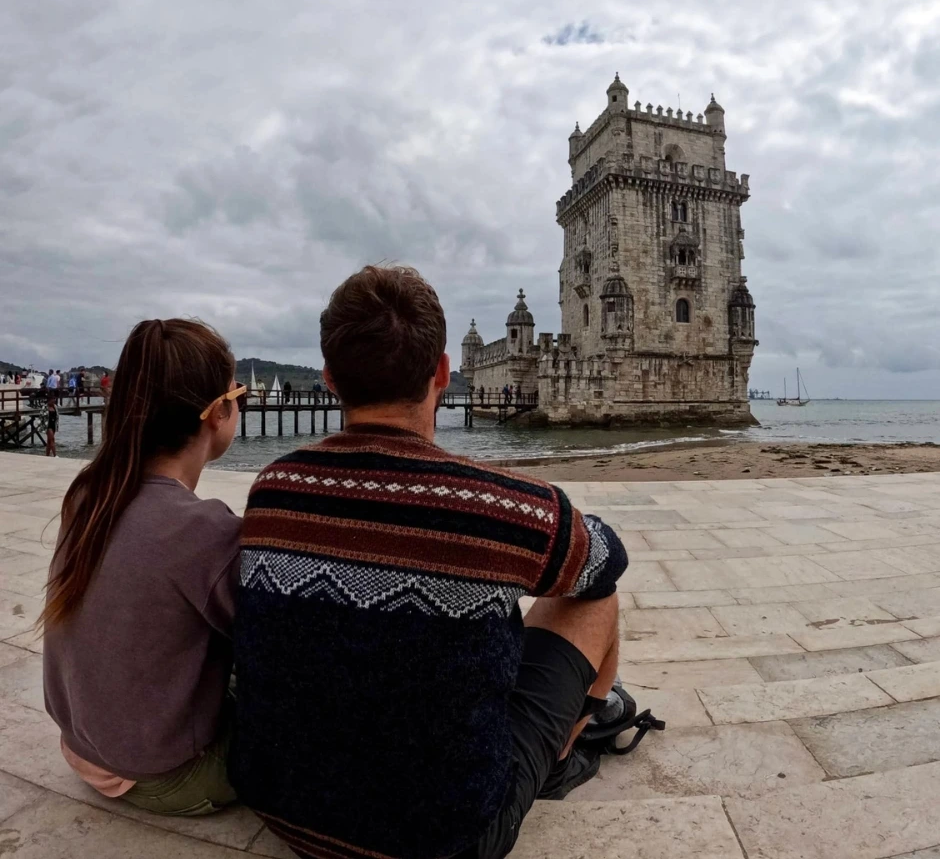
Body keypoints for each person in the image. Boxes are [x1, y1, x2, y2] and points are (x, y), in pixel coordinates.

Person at [231, 267, 629, 859]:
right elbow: (608, 558)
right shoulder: (497, 506)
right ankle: (565, 752)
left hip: (281, 806)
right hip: (445, 839)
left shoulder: (272, 486)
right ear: (444, 372)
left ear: (331, 379)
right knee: (594, 595)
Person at [42, 319, 248, 817]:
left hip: (80, 746)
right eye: (239, 393)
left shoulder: (91, 492)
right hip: (166, 773)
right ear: (217, 413)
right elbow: (265, 640)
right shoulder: (202, 530)